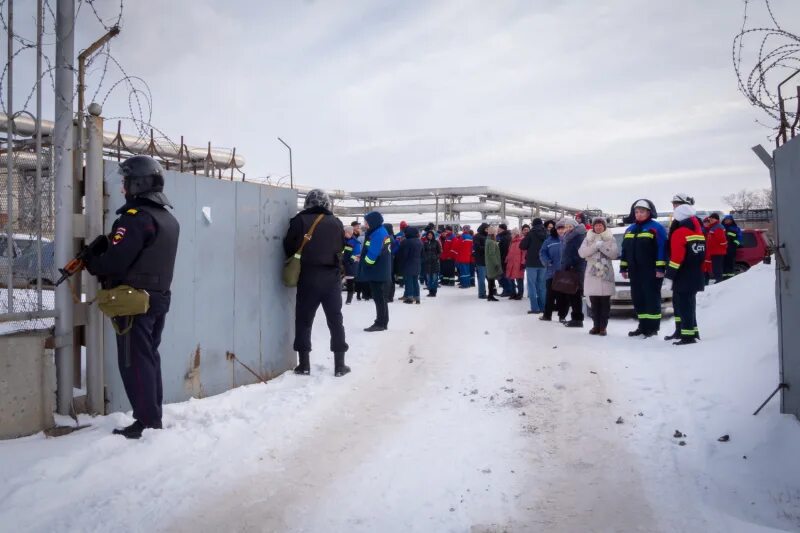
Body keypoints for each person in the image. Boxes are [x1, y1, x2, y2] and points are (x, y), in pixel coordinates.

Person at [85, 155, 180, 439]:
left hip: (133, 303)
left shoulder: (135, 219)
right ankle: (152, 416)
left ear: (138, 183)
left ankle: (146, 423)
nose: (123, 188)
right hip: (157, 299)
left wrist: (92, 260)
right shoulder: (167, 218)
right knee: (149, 358)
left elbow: (115, 262)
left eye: (126, 182)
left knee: (134, 363)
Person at [283, 189, 349, 377]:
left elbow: (288, 246)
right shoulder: (336, 222)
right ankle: (339, 365)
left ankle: (304, 365)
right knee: (335, 320)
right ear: (327, 203)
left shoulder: (298, 221)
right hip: (331, 278)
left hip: (307, 276)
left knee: (303, 320)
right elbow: (341, 247)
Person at [619, 199, 668, 338]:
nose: (638, 214)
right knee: (638, 299)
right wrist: (623, 268)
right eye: (636, 212)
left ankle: (652, 328)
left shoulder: (656, 228)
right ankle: (643, 325)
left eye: (642, 211)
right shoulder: (630, 229)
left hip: (651, 271)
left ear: (649, 212)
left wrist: (660, 268)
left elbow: (662, 248)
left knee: (651, 299)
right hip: (635, 271)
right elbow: (625, 250)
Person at [664, 204, 706, 345]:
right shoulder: (699, 232)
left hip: (683, 276)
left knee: (684, 306)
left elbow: (676, 258)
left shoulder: (680, 233)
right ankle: (693, 332)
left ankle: (687, 336)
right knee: (690, 305)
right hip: (696, 274)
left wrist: (670, 276)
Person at [578, 217, 619, 335]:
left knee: (605, 302)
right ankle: (595, 325)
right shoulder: (588, 238)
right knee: (594, 302)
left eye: (601, 225)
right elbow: (582, 253)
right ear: (593, 226)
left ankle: (603, 327)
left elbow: (614, 254)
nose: (598, 227)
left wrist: (602, 246)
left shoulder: (611, 238)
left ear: (604, 226)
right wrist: (595, 246)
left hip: (605, 273)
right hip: (592, 273)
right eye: (596, 225)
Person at [358, 211, 393, 331]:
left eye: (366, 222)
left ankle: (380, 323)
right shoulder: (380, 231)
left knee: (379, 298)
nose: (365, 224)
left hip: (377, 271)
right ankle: (383, 322)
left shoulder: (378, 233)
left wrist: (364, 263)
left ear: (373, 222)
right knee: (381, 298)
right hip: (381, 270)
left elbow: (372, 255)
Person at [558, 217, 587, 327]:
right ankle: (575, 318)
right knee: (572, 295)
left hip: (575, 269)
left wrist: (569, 264)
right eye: (567, 227)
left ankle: (578, 319)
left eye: (570, 226)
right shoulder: (568, 236)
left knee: (575, 295)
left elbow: (578, 254)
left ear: (575, 227)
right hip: (570, 268)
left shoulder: (578, 237)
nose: (568, 228)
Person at [539, 220, 568, 321]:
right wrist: (547, 261)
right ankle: (547, 315)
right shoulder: (549, 240)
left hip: (564, 273)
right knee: (550, 295)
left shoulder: (568, 239)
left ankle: (562, 316)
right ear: (556, 229)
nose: (561, 230)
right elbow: (542, 253)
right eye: (559, 228)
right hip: (551, 272)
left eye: (562, 228)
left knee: (562, 296)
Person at [520, 217, 548, 313]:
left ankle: (535, 308)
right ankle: (543, 307)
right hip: (543, 263)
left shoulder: (530, 234)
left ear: (533, 224)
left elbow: (522, 246)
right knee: (542, 286)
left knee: (532, 285)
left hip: (531, 263)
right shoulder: (547, 234)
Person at [396, 226, 423, 304]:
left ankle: (410, 298)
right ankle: (417, 298)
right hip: (417, 264)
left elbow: (404, 254)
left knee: (409, 281)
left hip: (408, 264)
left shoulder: (406, 242)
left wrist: (400, 263)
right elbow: (422, 254)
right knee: (415, 281)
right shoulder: (420, 241)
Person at [704, 213, 727, 284]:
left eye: (712, 218)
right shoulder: (714, 226)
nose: (710, 220)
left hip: (717, 251)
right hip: (714, 251)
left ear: (716, 219)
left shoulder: (718, 227)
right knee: (715, 267)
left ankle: (719, 281)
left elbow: (722, 240)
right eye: (710, 218)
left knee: (717, 268)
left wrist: (718, 247)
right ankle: (718, 280)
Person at [342, 226, 361, 305]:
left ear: (348, 233)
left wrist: (350, 261)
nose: (343, 234)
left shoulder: (355, 242)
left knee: (350, 282)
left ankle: (349, 299)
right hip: (342, 264)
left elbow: (356, 254)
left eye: (344, 232)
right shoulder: (342, 240)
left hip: (351, 265)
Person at [505, 228, 525, 300]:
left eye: (512, 234)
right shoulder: (512, 242)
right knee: (511, 279)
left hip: (518, 263)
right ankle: (513, 293)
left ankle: (520, 294)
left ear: (516, 234)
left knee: (519, 279)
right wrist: (507, 259)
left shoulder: (521, 241)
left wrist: (523, 263)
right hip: (511, 263)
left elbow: (524, 253)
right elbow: (509, 252)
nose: (511, 235)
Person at [421, 229, 442, 297]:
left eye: (430, 235)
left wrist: (436, 257)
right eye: (428, 235)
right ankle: (430, 291)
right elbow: (423, 252)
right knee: (428, 278)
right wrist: (425, 258)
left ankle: (434, 292)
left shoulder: (436, 242)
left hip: (434, 263)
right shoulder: (425, 243)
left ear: (433, 236)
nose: (429, 236)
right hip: (427, 263)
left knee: (434, 278)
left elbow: (440, 251)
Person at [722, 214, 743, 280]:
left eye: (728, 220)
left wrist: (734, 245)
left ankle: (730, 279)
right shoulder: (721, 227)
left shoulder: (736, 228)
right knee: (723, 264)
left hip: (731, 249)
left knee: (730, 264)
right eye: (726, 220)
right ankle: (724, 278)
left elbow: (739, 238)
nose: (727, 221)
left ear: (731, 220)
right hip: (722, 249)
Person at [485, 225, 503, 301]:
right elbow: (492, 254)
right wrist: (496, 263)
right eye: (495, 232)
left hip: (489, 263)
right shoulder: (492, 242)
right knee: (491, 280)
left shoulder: (488, 240)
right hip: (492, 263)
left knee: (490, 279)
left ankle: (490, 295)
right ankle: (490, 295)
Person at [473, 223, 489, 299]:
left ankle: (486, 292)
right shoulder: (477, 236)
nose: (487, 230)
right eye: (486, 229)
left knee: (487, 277)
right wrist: (487, 247)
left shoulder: (487, 236)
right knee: (481, 278)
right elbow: (477, 247)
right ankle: (482, 294)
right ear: (483, 228)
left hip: (486, 260)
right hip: (480, 260)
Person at [496, 223, 513, 296]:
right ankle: (508, 289)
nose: (497, 230)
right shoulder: (506, 236)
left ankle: (507, 290)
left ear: (502, 229)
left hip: (503, 259)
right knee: (505, 275)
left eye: (498, 229)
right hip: (504, 259)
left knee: (504, 276)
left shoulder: (504, 237)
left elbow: (504, 249)